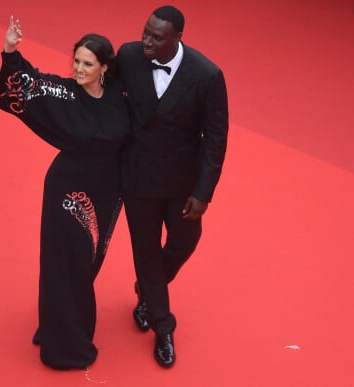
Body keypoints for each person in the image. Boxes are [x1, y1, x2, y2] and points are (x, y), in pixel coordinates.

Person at [0, 17, 130, 370]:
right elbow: (30, 83)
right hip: (67, 193)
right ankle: (64, 346)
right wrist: (10, 49)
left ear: (104, 67)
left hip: (107, 193)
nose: (79, 69)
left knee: (87, 262)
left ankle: (60, 324)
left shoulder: (120, 97)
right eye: (76, 61)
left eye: (87, 63)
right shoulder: (65, 94)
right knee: (63, 264)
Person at [116, 5, 229, 368]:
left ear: (178, 38)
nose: (146, 40)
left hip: (183, 182)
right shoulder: (129, 55)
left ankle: (148, 288)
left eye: (156, 37)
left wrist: (203, 192)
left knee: (185, 242)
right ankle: (163, 327)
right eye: (145, 32)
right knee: (145, 251)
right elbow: (108, 101)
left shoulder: (207, 74)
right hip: (138, 178)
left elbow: (215, 136)